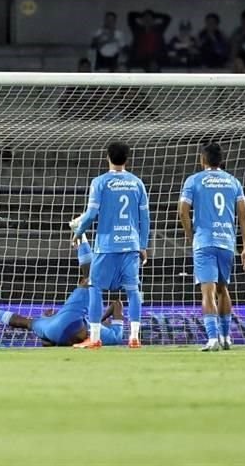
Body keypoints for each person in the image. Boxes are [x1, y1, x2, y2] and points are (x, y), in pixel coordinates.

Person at [69, 141, 149, 349]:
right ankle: (134, 337)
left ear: (107, 157)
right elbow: (145, 218)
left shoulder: (100, 182)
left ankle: (95, 338)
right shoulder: (137, 183)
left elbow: (91, 213)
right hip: (131, 245)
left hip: (107, 245)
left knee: (95, 287)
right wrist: (143, 244)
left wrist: (79, 231)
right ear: (127, 158)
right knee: (133, 291)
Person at [0, 238, 125, 347]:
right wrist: (100, 319)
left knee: (90, 280)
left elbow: (117, 304)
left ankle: (80, 236)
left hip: (64, 327)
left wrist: (99, 319)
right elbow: (117, 304)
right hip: (63, 330)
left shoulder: (114, 334)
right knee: (27, 323)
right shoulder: (111, 336)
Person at [178, 143, 245, 352]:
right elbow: (244, 216)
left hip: (204, 242)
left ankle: (212, 339)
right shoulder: (233, 182)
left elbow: (182, 211)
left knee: (207, 291)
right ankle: (227, 337)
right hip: (227, 243)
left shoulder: (194, 180)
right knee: (222, 289)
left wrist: (190, 234)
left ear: (202, 160)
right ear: (221, 161)